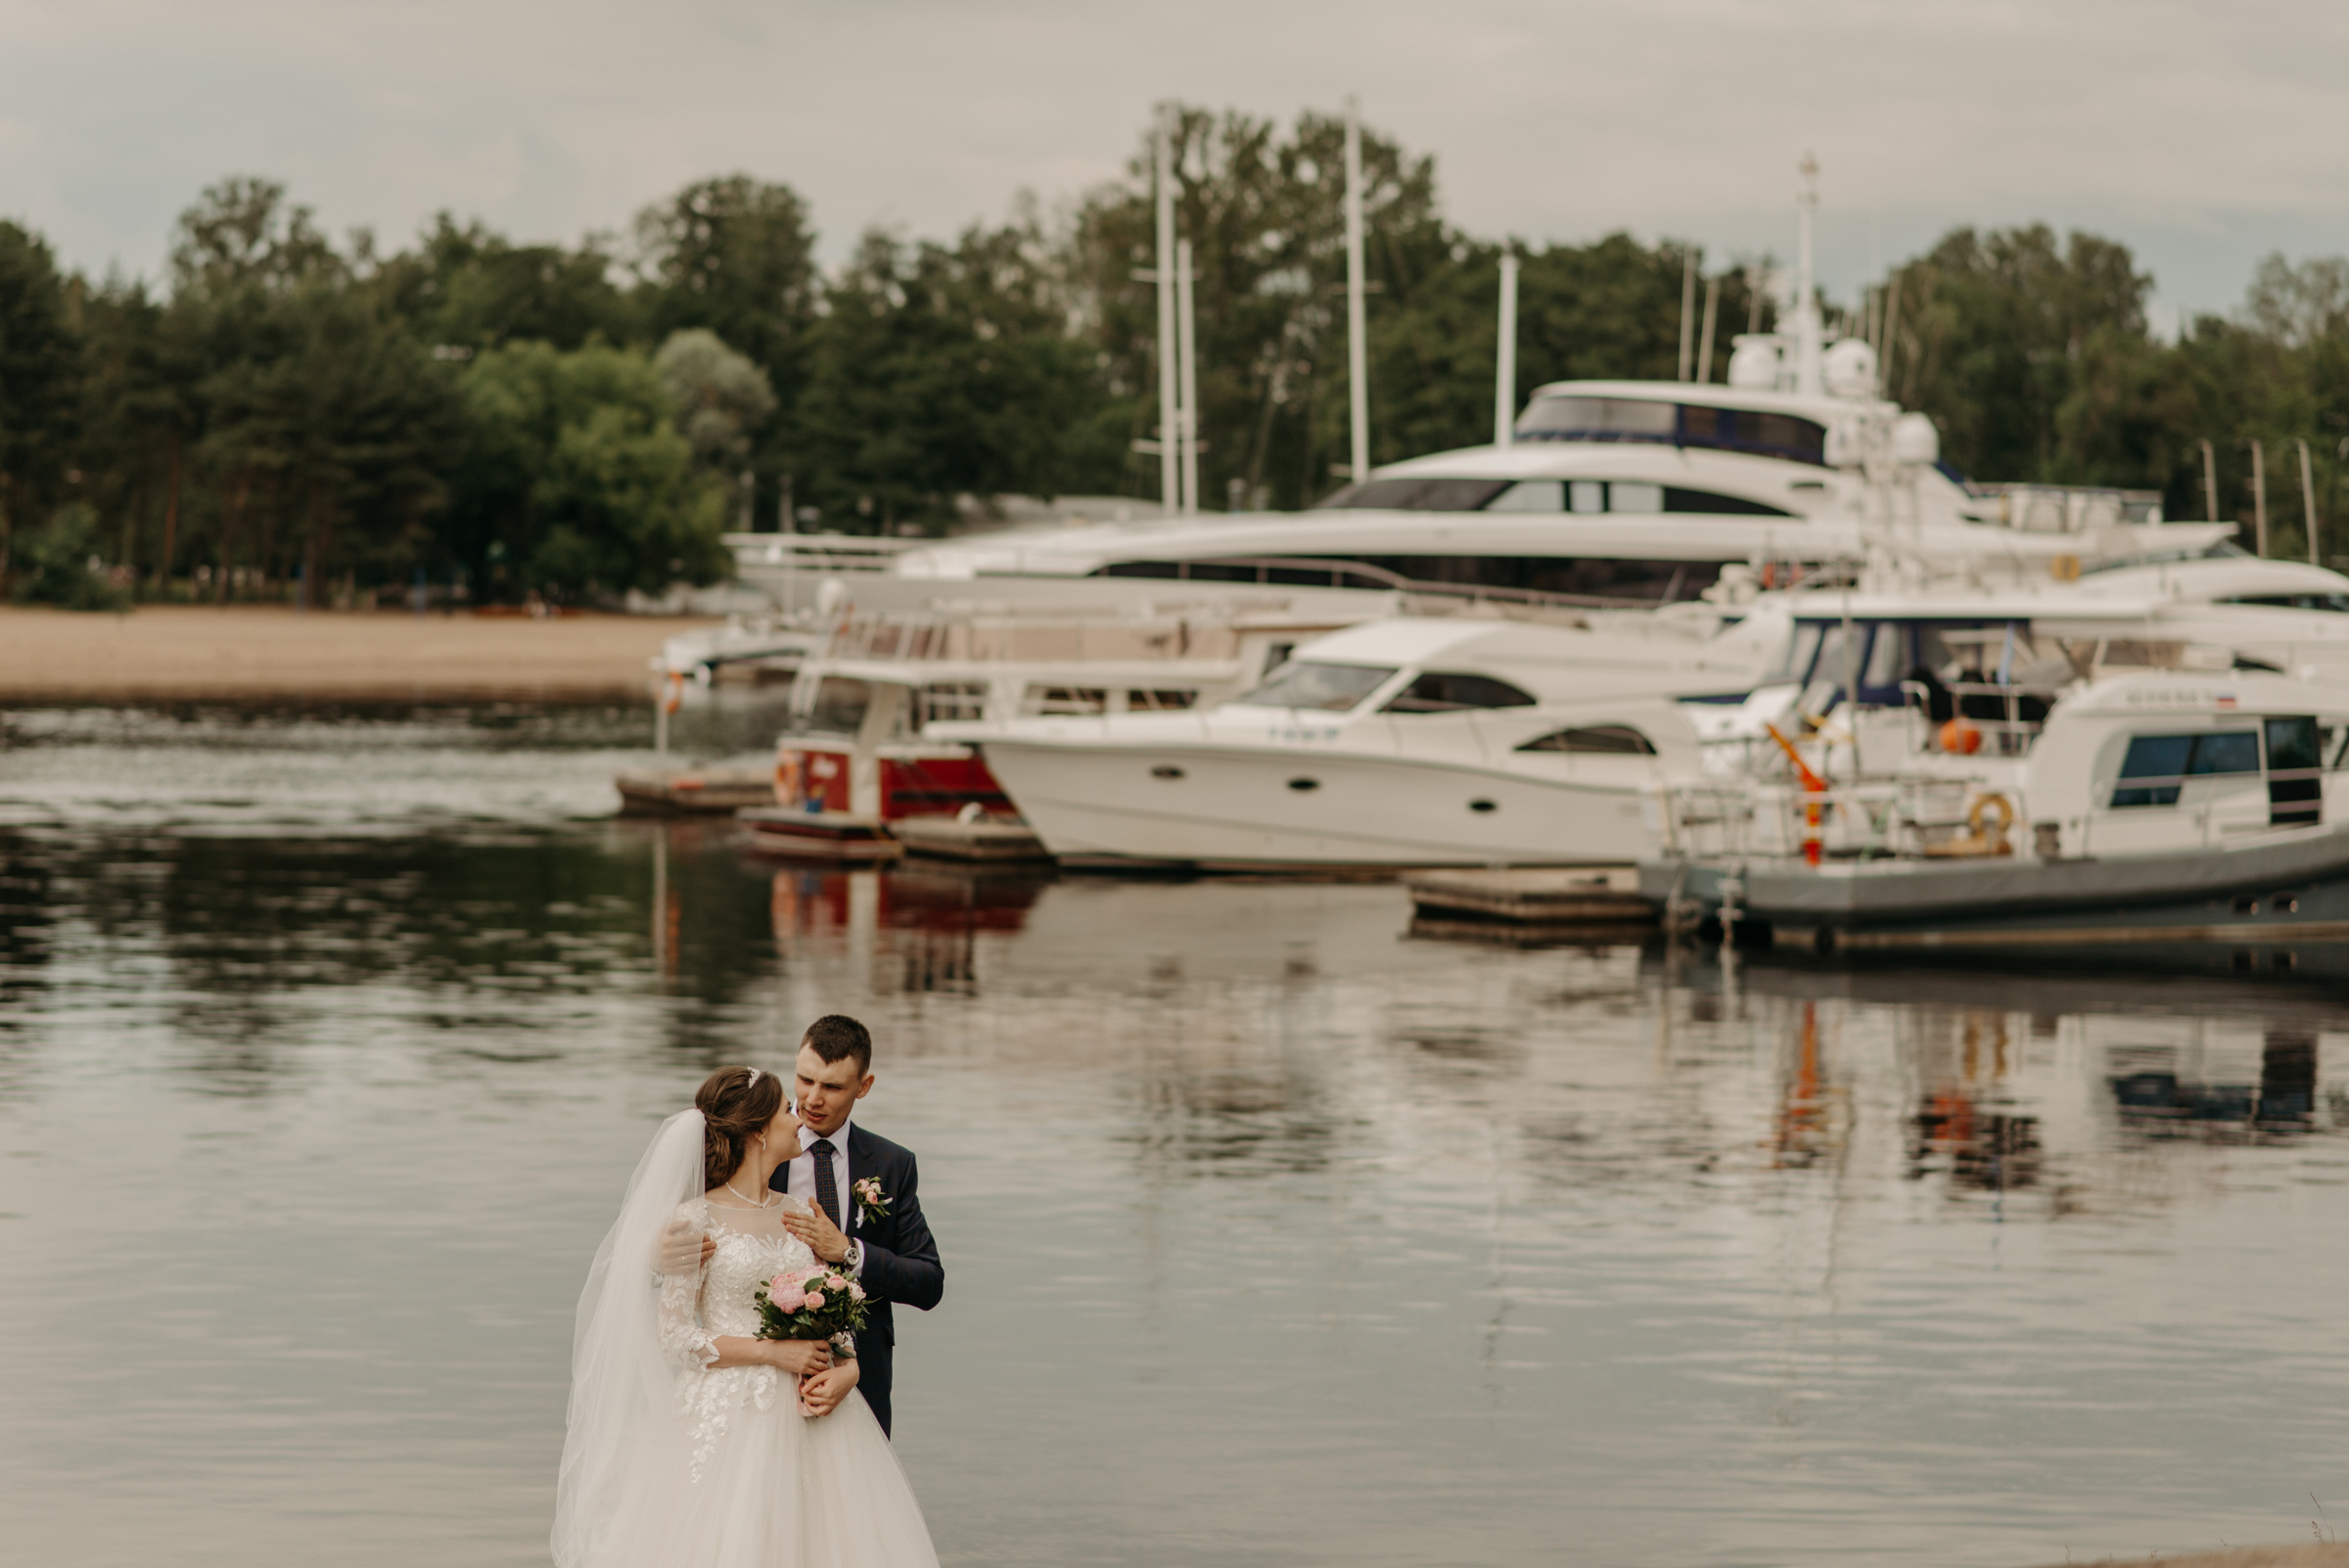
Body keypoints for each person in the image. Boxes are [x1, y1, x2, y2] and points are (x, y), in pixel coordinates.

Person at [553, 1065, 939, 1568]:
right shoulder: (695, 1218)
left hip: (815, 1414)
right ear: (758, 1132)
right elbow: (675, 1338)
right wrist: (773, 1352)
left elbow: (833, 1314)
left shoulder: (802, 1211)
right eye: (786, 1109)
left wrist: (849, 1367)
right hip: (726, 1415)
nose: (799, 1114)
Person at [767, 1014, 944, 1439]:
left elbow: (929, 1283)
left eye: (832, 1087)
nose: (812, 1099)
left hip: (861, 1380)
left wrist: (849, 1250)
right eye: (804, 1079)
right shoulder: (755, 1143)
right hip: (767, 1376)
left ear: (863, 1087)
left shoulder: (891, 1164)